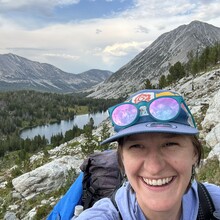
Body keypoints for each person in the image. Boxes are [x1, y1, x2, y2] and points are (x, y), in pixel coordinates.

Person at [76, 89, 220, 220]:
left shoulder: (214, 203)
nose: (154, 168)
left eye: (170, 144)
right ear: (122, 159)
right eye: (136, 146)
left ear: (194, 153)